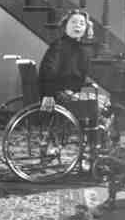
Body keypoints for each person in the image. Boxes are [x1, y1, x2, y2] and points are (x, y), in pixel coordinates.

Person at [38, 8, 117, 145]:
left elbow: (77, 74)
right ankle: (96, 141)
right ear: (65, 26)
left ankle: (100, 138)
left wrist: (89, 84)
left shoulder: (79, 47)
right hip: (59, 93)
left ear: (86, 28)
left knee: (106, 100)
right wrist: (49, 94)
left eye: (82, 23)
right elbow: (48, 71)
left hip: (70, 90)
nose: (78, 26)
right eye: (73, 22)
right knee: (100, 104)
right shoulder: (59, 46)